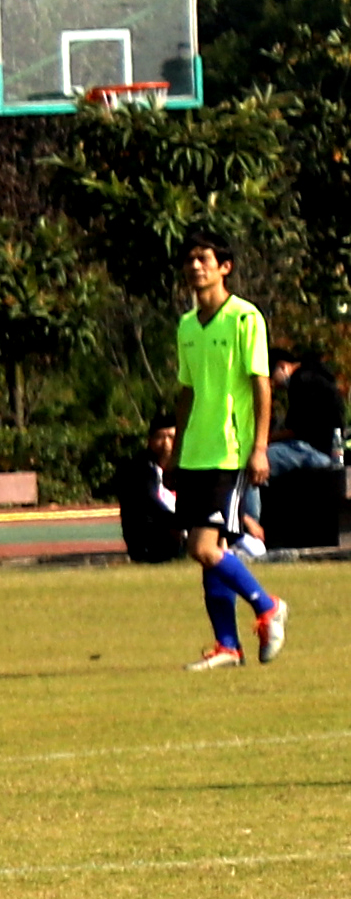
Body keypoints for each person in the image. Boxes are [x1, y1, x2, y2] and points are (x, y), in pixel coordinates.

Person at [173, 232, 289, 670]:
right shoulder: (187, 325)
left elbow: (260, 385)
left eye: (203, 259)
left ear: (225, 267)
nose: (195, 267)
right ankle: (228, 645)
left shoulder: (245, 319)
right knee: (211, 548)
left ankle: (267, 605)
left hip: (230, 451)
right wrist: (176, 450)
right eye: (189, 260)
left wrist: (260, 447)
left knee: (202, 548)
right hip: (196, 452)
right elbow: (186, 391)